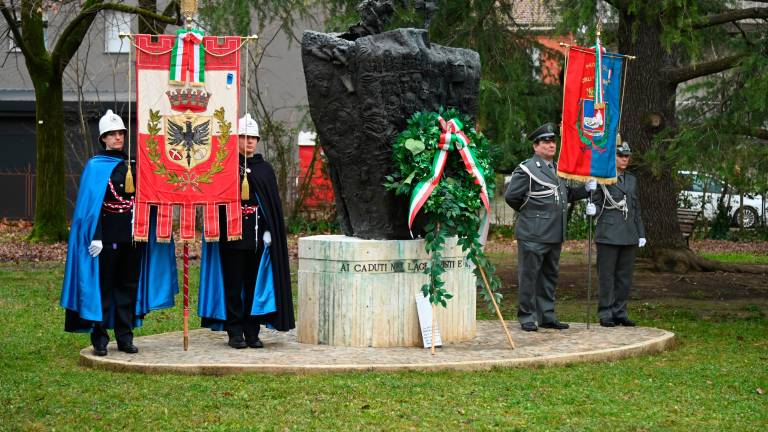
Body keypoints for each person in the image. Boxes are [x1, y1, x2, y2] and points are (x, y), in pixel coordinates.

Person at [61, 110, 177, 356]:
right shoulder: (95, 167)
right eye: (112, 134)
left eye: (120, 133)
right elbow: (91, 208)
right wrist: (97, 235)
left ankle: (125, 337)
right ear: (103, 138)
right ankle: (100, 337)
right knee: (104, 288)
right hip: (105, 241)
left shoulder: (135, 165)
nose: (117, 138)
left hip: (134, 238)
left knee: (127, 289)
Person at [199, 113, 295, 348]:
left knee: (254, 286)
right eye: (244, 137)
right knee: (233, 286)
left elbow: (270, 205)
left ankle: (252, 332)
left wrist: (268, 230)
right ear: (236, 139)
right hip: (231, 237)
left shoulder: (264, 169)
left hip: (257, 240)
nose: (249, 141)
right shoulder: (223, 167)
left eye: (253, 137)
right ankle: (235, 332)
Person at [504, 122, 596, 332]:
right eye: (546, 141)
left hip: (554, 233)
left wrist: (586, 189)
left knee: (549, 277)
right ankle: (527, 315)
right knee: (529, 276)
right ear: (535, 146)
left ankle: (547, 315)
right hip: (533, 233)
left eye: (553, 141)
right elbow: (512, 197)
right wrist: (531, 214)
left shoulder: (559, 169)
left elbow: (568, 195)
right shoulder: (527, 169)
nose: (551, 145)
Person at [585, 141, 646, 327]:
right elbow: (596, 202)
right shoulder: (603, 179)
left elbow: (635, 208)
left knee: (624, 276)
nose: (625, 159)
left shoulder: (632, 179)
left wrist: (640, 232)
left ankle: (620, 311)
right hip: (609, 233)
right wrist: (590, 209)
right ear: (613, 158)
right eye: (621, 156)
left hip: (629, 233)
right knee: (607, 276)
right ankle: (605, 312)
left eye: (627, 156)